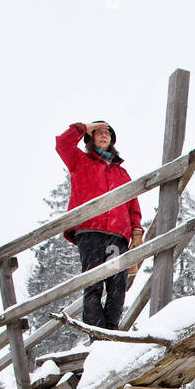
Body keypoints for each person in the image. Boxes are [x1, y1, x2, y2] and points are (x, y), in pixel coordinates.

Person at [55, 120, 144, 330]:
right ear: (90, 138)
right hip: (90, 233)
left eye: (108, 134)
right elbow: (62, 144)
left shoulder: (121, 173)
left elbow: (133, 203)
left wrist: (137, 231)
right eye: (99, 133)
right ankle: (97, 336)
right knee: (93, 283)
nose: (104, 136)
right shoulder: (80, 161)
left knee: (117, 284)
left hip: (116, 238)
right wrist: (84, 126)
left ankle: (111, 333)